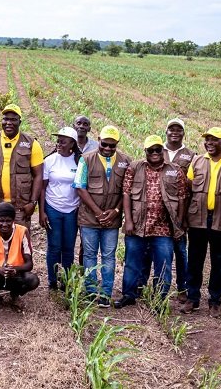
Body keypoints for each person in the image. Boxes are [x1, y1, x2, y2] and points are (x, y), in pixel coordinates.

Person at [115, 135, 186, 308]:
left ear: (163, 150)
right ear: (145, 151)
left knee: (163, 266)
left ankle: (159, 300)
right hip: (138, 226)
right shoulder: (134, 167)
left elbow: (182, 198)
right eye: (151, 150)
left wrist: (179, 224)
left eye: (158, 149)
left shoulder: (175, 170)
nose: (155, 153)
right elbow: (126, 194)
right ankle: (129, 295)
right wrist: (129, 221)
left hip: (164, 229)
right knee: (132, 263)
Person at [182, 127, 221, 317]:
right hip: (197, 218)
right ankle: (192, 298)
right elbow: (190, 189)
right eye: (207, 139)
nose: (209, 143)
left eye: (214, 140)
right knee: (195, 259)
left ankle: (215, 301)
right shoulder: (197, 161)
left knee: (218, 261)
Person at [73, 125, 131, 307]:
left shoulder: (125, 161)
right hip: (89, 219)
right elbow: (80, 187)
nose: (107, 149)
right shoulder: (86, 159)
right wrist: (98, 213)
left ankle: (106, 293)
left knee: (109, 256)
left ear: (117, 144)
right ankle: (91, 291)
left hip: (112, 221)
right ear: (98, 140)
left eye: (112, 146)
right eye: (104, 144)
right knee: (89, 255)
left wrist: (115, 212)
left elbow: (127, 191)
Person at [0, 104, 44, 228]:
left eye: (13, 119)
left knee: (20, 243)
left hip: (21, 207)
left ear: (20, 122)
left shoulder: (31, 144)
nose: (9, 123)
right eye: (6, 119)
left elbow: (38, 175)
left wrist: (33, 203)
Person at [39, 127, 82, 290]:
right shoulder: (49, 161)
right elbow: (42, 188)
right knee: (54, 246)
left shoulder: (79, 161)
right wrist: (42, 212)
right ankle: (52, 280)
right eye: (58, 140)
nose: (59, 143)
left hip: (72, 210)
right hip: (53, 207)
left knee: (69, 247)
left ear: (72, 143)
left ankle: (66, 280)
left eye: (63, 140)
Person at [162, 117, 196, 302]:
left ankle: (182, 287)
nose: (175, 132)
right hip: (159, 210)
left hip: (180, 210)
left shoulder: (190, 155)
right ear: (166, 131)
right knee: (156, 250)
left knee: (181, 251)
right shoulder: (158, 150)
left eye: (179, 129)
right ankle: (156, 285)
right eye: (171, 129)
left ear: (183, 133)